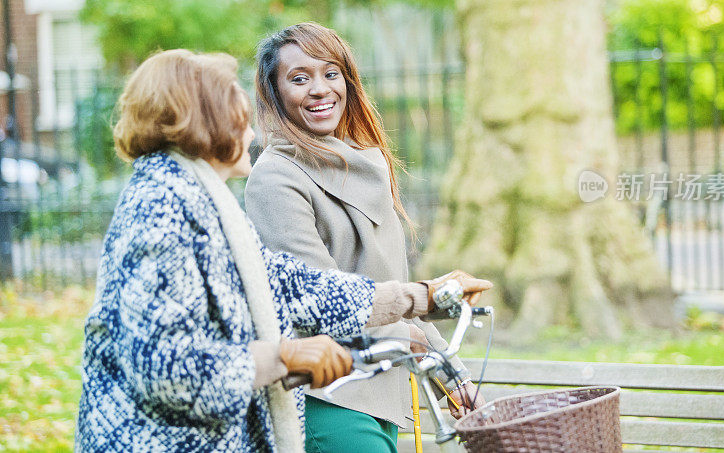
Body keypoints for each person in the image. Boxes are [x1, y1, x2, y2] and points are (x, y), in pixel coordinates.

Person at [74, 49, 491, 453]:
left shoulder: (202, 205)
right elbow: (166, 369)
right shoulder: (161, 207)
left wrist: (423, 295)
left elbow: (297, 287)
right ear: (203, 123)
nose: (253, 132)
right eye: (240, 117)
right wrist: (282, 355)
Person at [245, 23, 488, 453]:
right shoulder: (276, 179)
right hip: (328, 398)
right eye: (299, 79)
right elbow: (318, 300)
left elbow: (392, 293)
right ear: (275, 94)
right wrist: (415, 326)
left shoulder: (362, 165)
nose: (319, 89)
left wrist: (456, 378)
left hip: (383, 391)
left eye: (330, 73)